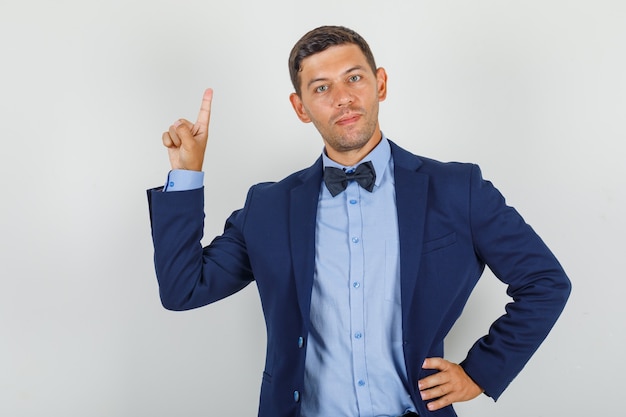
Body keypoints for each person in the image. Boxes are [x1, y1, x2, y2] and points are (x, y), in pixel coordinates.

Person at [147, 25, 571, 417]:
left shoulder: (457, 189)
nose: (343, 98)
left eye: (354, 78)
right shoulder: (269, 206)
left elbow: (545, 282)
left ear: (380, 83)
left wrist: (480, 373)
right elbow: (183, 289)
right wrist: (187, 175)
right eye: (321, 87)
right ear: (300, 107)